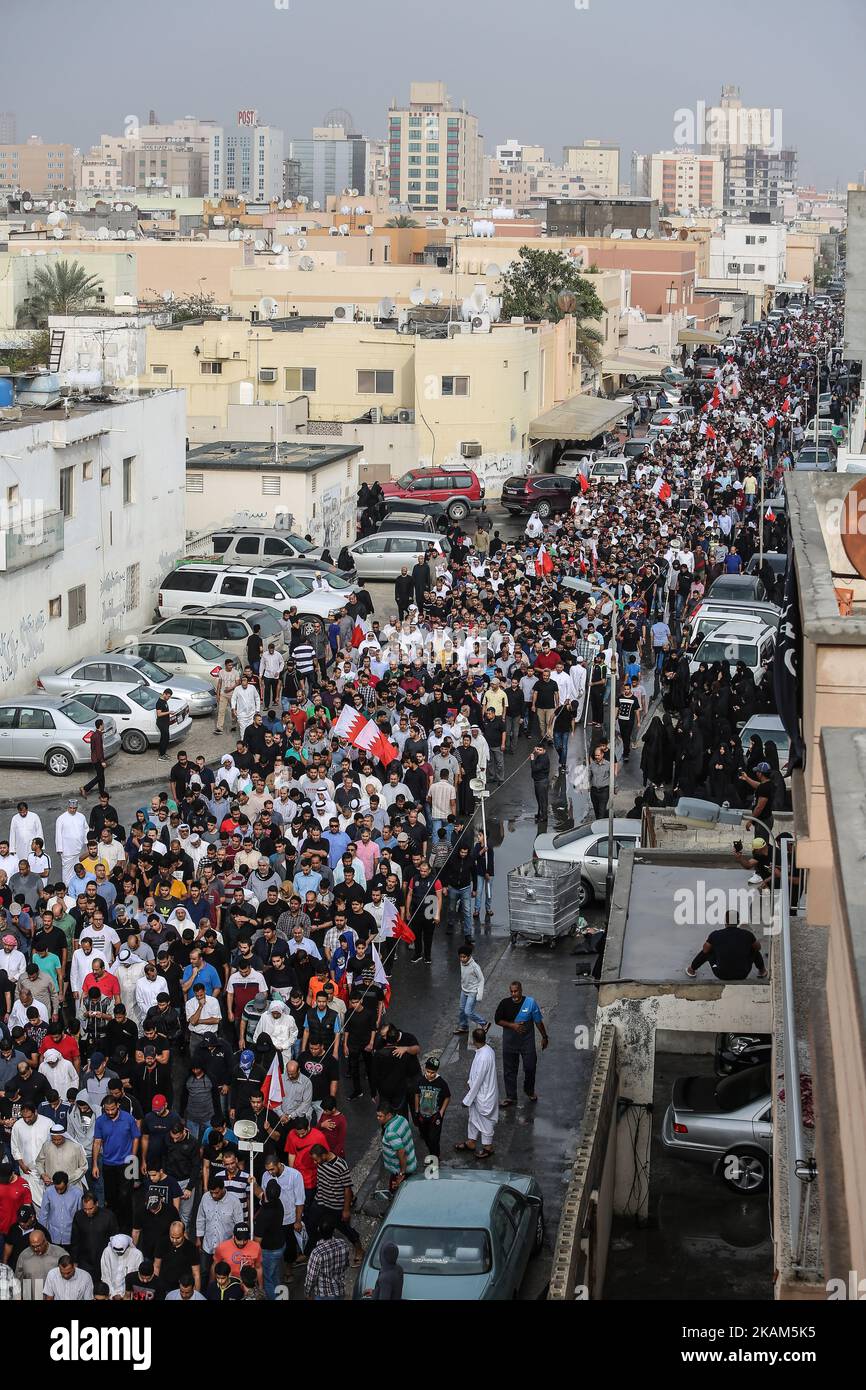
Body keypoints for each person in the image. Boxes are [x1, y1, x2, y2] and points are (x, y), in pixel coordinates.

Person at [494, 981, 549, 1106]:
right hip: (509, 1044)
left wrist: (544, 1037)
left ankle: (529, 1090)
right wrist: (512, 1025)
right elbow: (497, 1020)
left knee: (530, 1067)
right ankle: (510, 1096)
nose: (514, 994)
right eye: (512, 992)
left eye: (516, 991)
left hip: (526, 1043)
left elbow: (538, 1022)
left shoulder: (530, 1003)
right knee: (509, 1070)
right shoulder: (504, 1003)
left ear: (521, 990)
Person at [686, 909, 768, 980]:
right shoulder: (747, 935)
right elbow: (758, 948)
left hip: (721, 974)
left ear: (725, 921)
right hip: (743, 974)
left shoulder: (715, 935)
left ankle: (691, 969)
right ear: (738, 922)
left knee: (708, 951)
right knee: (753, 949)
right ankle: (762, 971)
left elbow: (705, 950)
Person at [455, 1028, 498, 1160]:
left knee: (485, 1121)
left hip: (483, 1095)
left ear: (473, 1041)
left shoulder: (483, 1057)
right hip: (482, 1093)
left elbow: (478, 1081)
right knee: (473, 1118)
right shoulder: (487, 1050)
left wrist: (467, 1099)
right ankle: (471, 1141)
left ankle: (488, 1147)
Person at [412, 1055, 450, 1158]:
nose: (430, 1075)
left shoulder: (441, 1083)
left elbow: (447, 1097)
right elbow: (416, 1094)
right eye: (428, 1071)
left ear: (436, 1071)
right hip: (422, 1115)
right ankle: (432, 1153)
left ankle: (435, 1157)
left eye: (433, 1073)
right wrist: (416, 1110)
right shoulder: (420, 1080)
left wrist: (441, 1112)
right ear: (425, 1069)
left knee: (434, 1139)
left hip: (435, 1116)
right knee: (425, 1136)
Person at [376, 1099, 417, 1192]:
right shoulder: (401, 1119)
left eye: (380, 1116)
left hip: (400, 1170)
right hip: (410, 1162)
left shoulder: (391, 1133)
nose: (378, 1118)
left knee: (395, 1192)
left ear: (389, 1115)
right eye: (377, 1115)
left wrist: (401, 1174)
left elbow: (401, 1153)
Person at [303, 1219, 349, 1301]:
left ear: (319, 1231)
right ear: (333, 1230)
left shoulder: (317, 1253)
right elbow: (346, 1265)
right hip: (339, 1290)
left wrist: (307, 1293)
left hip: (323, 1294)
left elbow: (311, 1277)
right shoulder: (343, 1244)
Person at [455, 944, 487, 1034]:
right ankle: (464, 1026)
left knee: (468, 1012)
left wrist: (479, 995)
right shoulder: (461, 963)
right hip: (464, 990)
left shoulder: (475, 967)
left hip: (472, 992)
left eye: (464, 957)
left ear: (469, 956)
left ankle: (484, 1023)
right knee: (462, 1009)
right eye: (460, 957)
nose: (462, 959)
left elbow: (481, 980)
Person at [80, 720, 108, 798]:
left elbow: (93, 748)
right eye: (103, 724)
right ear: (100, 725)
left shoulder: (95, 734)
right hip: (98, 760)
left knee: (101, 776)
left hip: (95, 758)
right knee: (99, 777)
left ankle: (102, 794)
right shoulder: (97, 736)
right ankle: (85, 788)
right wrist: (102, 761)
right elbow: (98, 750)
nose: (104, 726)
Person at [529, 741, 551, 822]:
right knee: (539, 799)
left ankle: (544, 816)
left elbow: (534, 768)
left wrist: (532, 759)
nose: (538, 751)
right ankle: (539, 813)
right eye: (537, 749)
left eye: (540, 750)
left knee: (543, 800)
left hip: (542, 782)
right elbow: (536, 749)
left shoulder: (543, 759)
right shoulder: (540, 755)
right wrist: (536, 750)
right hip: (538, 780)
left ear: (544, 750)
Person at [155, 691, 172, 762]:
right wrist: (169, 712)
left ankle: (163, 752)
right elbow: (159, 714)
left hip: (165, 722)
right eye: (168, 696)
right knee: (165, 738)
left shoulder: (164, 701)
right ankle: (161, 755)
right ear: (164, 694)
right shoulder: (159, 702)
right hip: (161, 723)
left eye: (169, 696)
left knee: (165, 738)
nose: (169, 698)